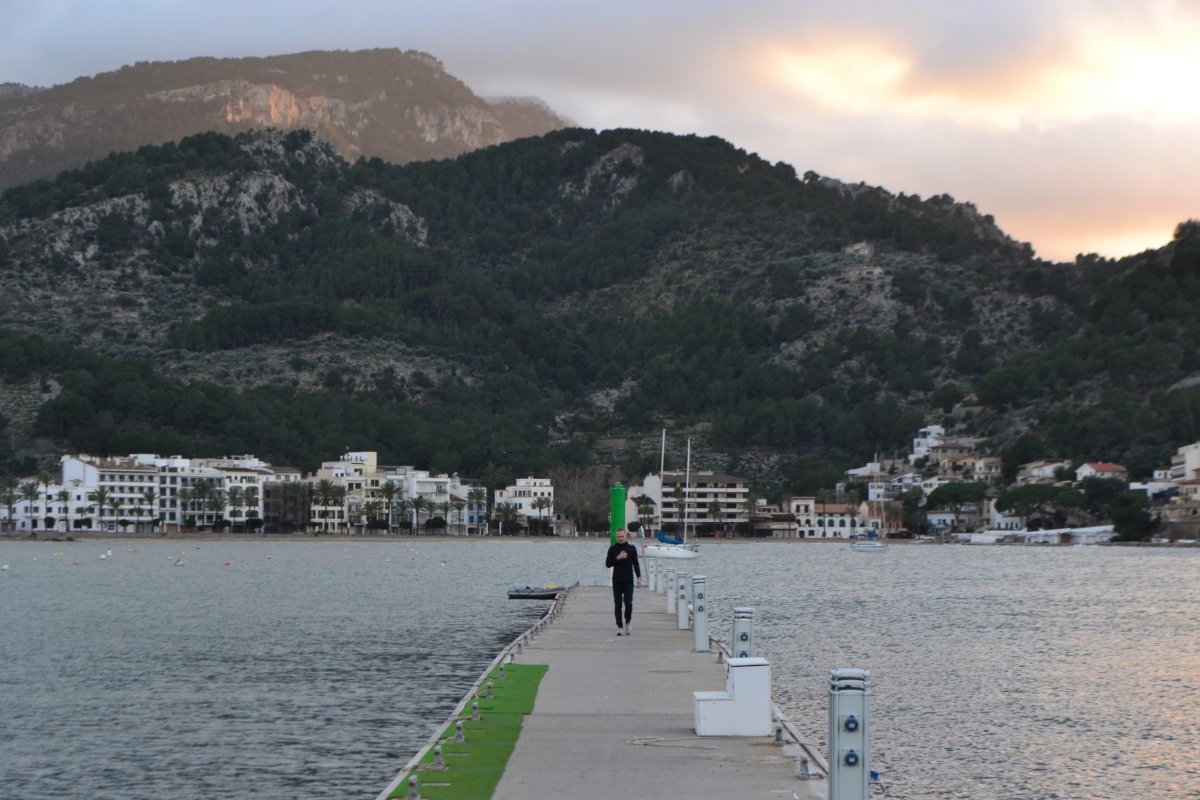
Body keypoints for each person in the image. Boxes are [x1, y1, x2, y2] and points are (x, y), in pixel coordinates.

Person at [605, 529, 642, 635]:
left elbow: (636, 564)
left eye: (622, 536)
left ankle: (628, 622)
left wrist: (639, 578)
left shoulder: (631, 548)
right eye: (618, 537)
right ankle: (620, 627)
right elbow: (608, 564)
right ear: (616, 537)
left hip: (628, 581)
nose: (620, 538)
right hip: (617, 581)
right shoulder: (613, 549)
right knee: (618, 605)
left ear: (626, 536)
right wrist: (618, 557)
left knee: (628, 603)